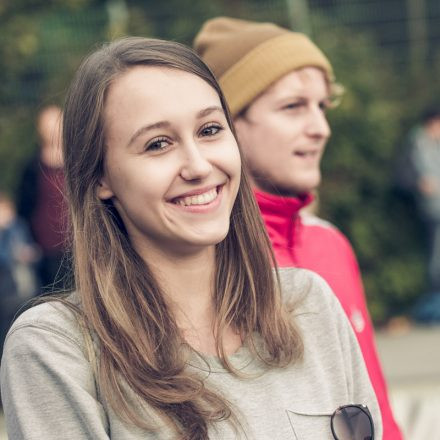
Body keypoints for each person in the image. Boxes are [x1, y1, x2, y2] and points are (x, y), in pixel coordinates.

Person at [1, 37, 381, 439]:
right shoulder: (56, 350)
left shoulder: (309, 304)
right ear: (100, 177)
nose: (199, 165)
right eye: (158, 144)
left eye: (210, 129)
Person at [194, 17, 400, 439]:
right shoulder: (199, 264)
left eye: (322, 106)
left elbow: (373, 406)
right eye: (293, 106)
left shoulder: (330, 242)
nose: (320, 128)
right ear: (227, 124)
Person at [17, 104, 68, 290]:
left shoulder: (78, 161)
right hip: (45, 248)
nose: (52, 129)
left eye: (56, 122)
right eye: (46, 124)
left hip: (78, 244)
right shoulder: (31, 168)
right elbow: (23, 207)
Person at [405, 106, 440, 322]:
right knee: (436, 258)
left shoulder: (433, 145)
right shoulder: (417, 143)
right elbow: (406, 174)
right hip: (432, 209)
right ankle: (431, 307)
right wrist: (419, 184)